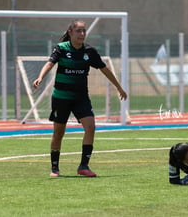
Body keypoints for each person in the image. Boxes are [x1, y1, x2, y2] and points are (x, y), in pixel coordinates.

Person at [33, 20, 127, 177]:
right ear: (70, 32)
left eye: (84, 31)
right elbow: (50, 63)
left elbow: (105, 70)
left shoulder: (89, 51)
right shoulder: (61, 48)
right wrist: (40, 77)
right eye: (78, 31)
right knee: (58, 133)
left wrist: (119, 87)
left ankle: (84, 166)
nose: (82, 34)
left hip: (81, 97)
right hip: (61, 98)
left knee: (90, 127)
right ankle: (55, 168)